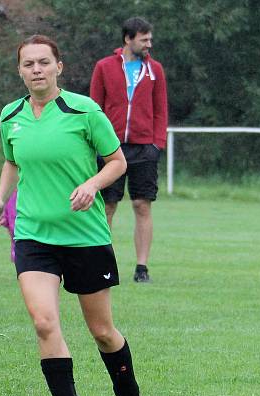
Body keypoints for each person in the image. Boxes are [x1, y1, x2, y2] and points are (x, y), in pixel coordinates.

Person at [0, 35, 148, 396]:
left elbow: (117, 162)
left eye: (44, 62)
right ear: (20, 71)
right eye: (29, 64)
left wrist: (92, 185)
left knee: (102, 332)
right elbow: (12, 162)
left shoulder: (84, 111)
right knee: (44, 322)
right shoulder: (11, 115)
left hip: (85, 237)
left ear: (59, 66)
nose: (37, 70)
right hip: (33, 235)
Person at [90, 16, 168, 283]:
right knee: (108, 205)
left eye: (150, 39)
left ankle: (141, 267)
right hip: (112, 149)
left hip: (144, 148)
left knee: (141, 204)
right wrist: (95, 144)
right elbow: (94, 108)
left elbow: (161, 109)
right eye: (144, 39)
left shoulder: (155, 69)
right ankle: (103, 263)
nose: (149, 44)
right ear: (128, 39)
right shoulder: (104, 66)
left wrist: (157, 144)